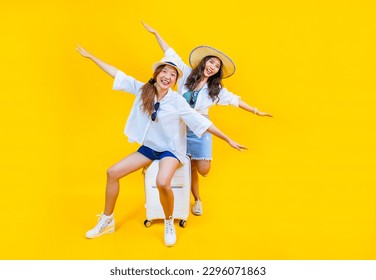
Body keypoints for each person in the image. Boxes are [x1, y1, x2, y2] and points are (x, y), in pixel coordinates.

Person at [76, 44, 246, 247]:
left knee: (163, 182)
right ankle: (107, 220)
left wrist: (227, 139)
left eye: (173, 74)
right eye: (164, 71)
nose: (167, 76)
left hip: (171, 150)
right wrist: (92, 57)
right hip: (149, 148)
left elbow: (201, 122)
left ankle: (168, 222)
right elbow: (117, 74)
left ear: (175, 81)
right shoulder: (144, 90)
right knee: (112, 172)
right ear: (157, 74)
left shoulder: (177, 101)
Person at [142, 22, 272, 216]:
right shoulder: (185, 73)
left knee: (203, 169)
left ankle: (189, 192)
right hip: (180, 127)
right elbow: (170, 53)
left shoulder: (215, 90)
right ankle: (197, 200)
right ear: (204, 62)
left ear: (217, 72)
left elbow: (235, 100)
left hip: (201, 128)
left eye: (217, 66)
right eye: (211, 62)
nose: (212, 67)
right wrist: (156, 34)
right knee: (189, 166)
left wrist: (255, 110)